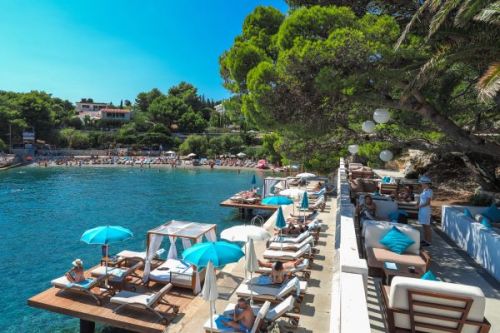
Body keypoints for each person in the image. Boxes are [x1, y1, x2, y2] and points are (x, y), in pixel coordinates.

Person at [418, 176, 433, 246]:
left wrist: (419, 206)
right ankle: (425, 239)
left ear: (425, 183)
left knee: (427, 226)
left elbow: (428, 202)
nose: (421, 184)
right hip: (422, 209)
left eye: (422, 183)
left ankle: (429, 241)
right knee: (424, 225)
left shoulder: (429, 191)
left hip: (426, 210)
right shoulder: (424, 191)